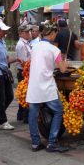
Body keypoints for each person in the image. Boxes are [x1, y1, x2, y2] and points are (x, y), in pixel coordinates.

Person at [27, 22, 69, 153]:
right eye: (55, 34)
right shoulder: (54, 50)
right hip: (47, 85)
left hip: (33, 85)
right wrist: (65, 62)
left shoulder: (34, 46)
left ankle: (35, 143)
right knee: (58, 111)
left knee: (33, 114)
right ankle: (51, 142)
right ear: (51, 34)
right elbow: (62, 69)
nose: (55, 36)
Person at [15, 24, 32, 123]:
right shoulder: (21, 44)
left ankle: (21, 114)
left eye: (28, 31)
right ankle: (25, 116)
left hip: (25, 71)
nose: (28, 33)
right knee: (25, 94)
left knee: (24, 93)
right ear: (21, 34)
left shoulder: (26, 43)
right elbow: (23, 62)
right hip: (24, 72)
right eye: (26, 32)